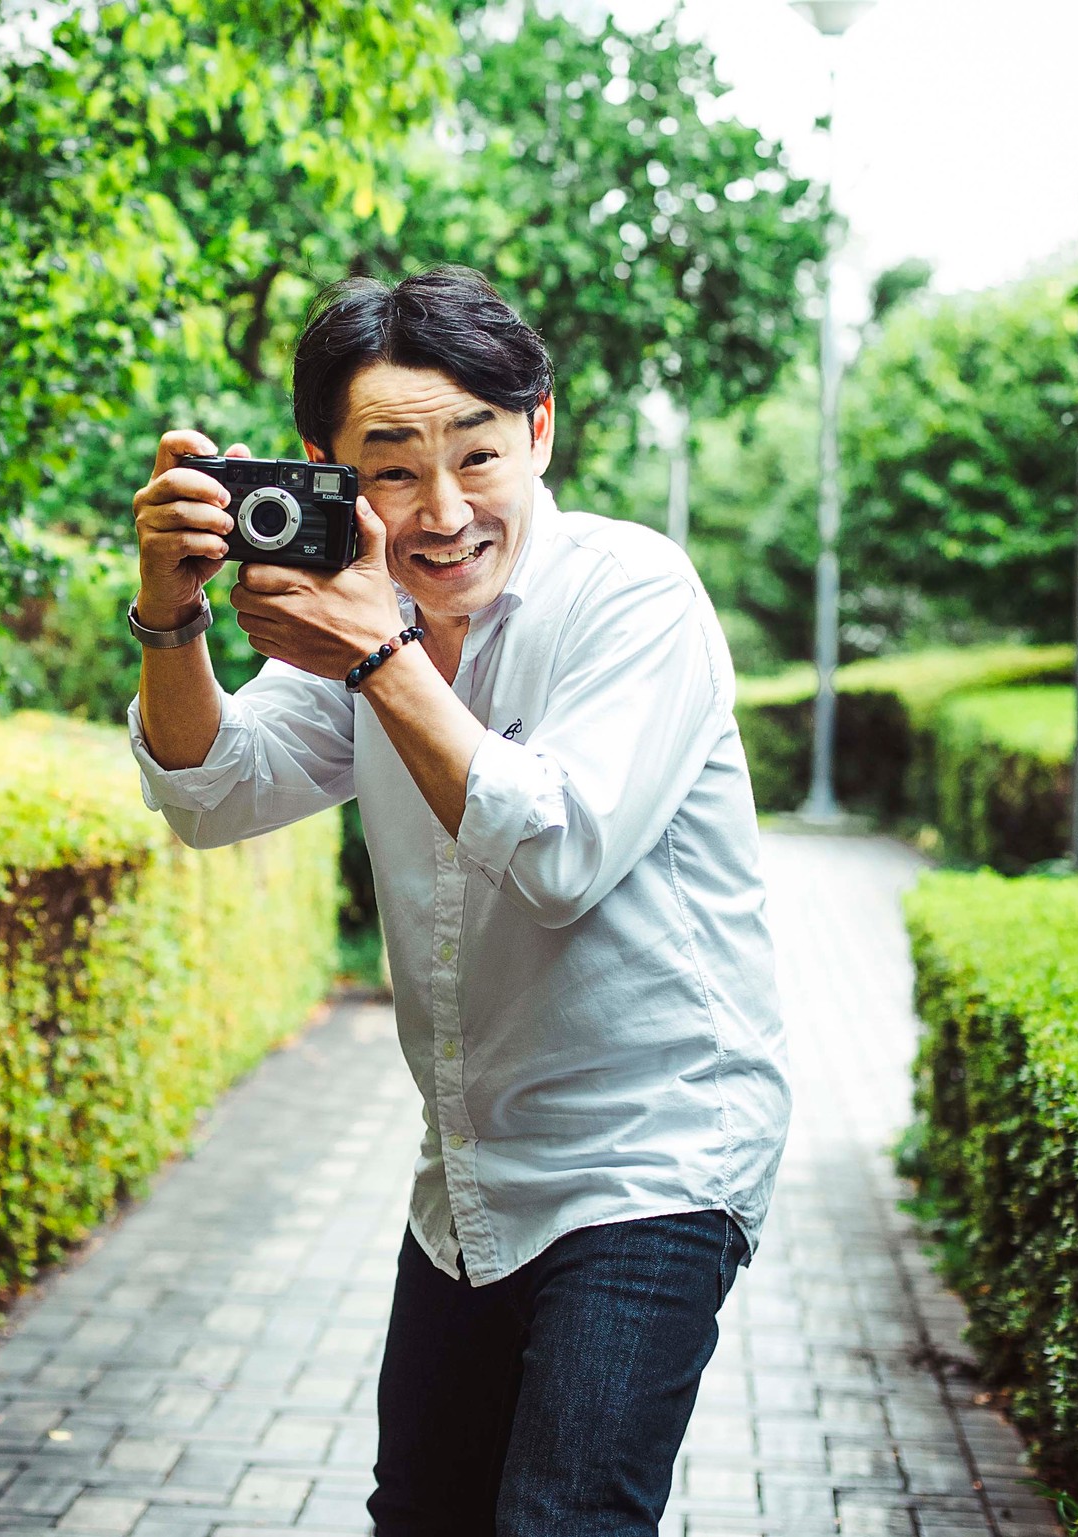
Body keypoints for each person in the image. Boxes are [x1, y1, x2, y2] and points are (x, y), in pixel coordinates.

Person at [122, 265, 790, 1537]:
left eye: (475, 457)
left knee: (563, 1519)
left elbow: (557, 850)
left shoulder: (632, 593)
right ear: (325, 466)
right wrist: (170, 617)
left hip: (650, 1158)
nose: (440, 512)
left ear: (539, 430)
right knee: (420, 1514)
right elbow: (210, 791)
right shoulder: (367, 612)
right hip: (470, 1182)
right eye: (390, 466)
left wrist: (378, 656)